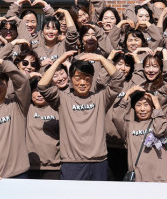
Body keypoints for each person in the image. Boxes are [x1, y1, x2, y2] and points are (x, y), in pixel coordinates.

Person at [38, 51, 124, 181]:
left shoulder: (101, 98)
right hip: (72, 163)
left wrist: (101, 58)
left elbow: (118, 79)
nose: (82, 82)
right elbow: (42, 86)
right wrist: (59, 61)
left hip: (99, 162)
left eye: (87, 78)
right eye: (78, 78)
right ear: (71, 79)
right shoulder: (62, 99)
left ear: (92, 78)